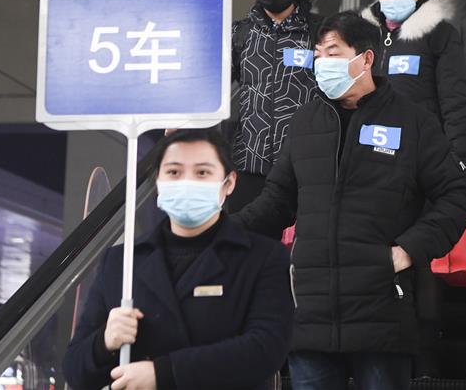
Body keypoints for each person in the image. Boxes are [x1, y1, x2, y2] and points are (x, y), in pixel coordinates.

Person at [231, 12, 466, 390]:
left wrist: (410, 250)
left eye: (332, 52)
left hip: (380, 307)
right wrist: (220, 232)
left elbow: (459, 193)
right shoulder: (305, 121)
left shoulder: (412, 122)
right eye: (317, 53)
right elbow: (276, 201)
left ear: (365, 59)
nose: (321, 62)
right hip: (310, 310)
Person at [64, 129, 294, 390]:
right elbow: (75, 370)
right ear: (158, 181)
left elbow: (265, 350)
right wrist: (103, 342)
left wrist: (163, 373)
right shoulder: (122, 262)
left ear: (228, 183)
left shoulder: (262, 258)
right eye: (174, 172)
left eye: (202, 172)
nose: (187, 182)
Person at [361, 0, 466, 378]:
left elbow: (454, 100)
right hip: (373, 171)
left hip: (425, 170)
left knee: (422, 260)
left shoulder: (438, 34)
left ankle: (426, 365)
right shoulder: (363, 37)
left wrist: (459, 161)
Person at [229, 0, 322, 224]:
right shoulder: (239, 33)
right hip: (249, 162)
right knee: (246, 247)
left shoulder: (319, 32)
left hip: (304, 164)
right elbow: (216, 85)